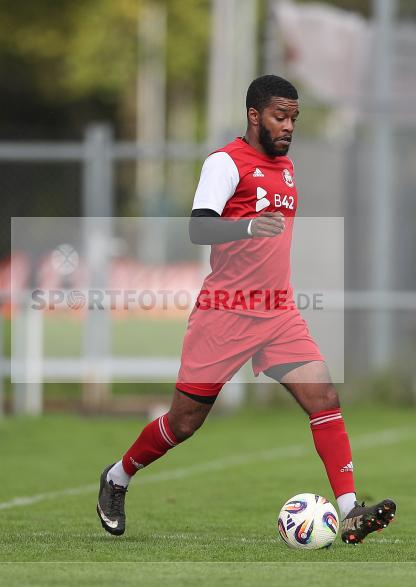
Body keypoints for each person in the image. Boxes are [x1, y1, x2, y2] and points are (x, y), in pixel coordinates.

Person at [96, 75, 396, 544]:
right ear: (254, 115)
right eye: (280, 116)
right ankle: (117, 476)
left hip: (277, 313)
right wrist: (248, 228)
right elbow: (199, 230)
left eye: (294, 117)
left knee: (325, 398)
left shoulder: (286, 168)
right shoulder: (225, 163)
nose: (288, 126)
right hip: (225, 314)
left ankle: (350, 511)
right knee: (184, 422)